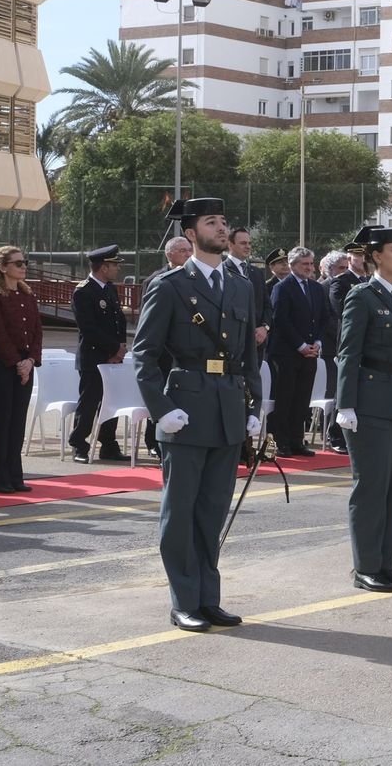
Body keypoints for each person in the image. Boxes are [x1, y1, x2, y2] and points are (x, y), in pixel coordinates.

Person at [133, 197, 263, 633]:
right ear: (191, 234)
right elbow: (145, 356)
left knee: (212, 511)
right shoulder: (169, 285)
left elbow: (248, 356)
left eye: (224, 222)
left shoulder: (241, 284)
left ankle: (209, 598)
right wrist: (162, 409)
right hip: (185, 410)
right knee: (181, 512)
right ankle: (184, 600)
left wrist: (253, 407)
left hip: (227, 406)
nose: (222, 229)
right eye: (212, 222)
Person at [333, 225, 392, 592]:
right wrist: (345, 404)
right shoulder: (361, 296)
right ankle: (366, 566)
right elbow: (348, 353)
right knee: (370, 486)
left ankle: (387, 564)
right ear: (375, 257)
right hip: (369, 402)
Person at [0, 246, 42, 494]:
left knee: (18, 423)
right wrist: (17, 363)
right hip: (3, 365)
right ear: (3, 267)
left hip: (24, 364)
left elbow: (37, 332)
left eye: (24, 262)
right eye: (17, 263)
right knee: (2, 423)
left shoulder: (27, 296)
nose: (23, 266)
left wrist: (31, 361)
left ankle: (16, 475)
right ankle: (0, 477)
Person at [69, 245, 128, 464]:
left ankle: (108, 444)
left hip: (113, 356)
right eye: (114, 266)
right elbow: (89, 329)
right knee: (90, 402)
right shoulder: (83, 291)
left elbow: (119, 321)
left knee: (111, 402)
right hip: (93, 357)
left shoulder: (110, 289)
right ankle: (79, 444)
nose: (117, 270)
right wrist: (113, 349)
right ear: (103, 267)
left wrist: (120, 348)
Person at [268, 248, 329, 457]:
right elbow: (281, 320)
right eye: (305, 264)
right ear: (293, 265)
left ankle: (297, 440)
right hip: (287, 353)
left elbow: (323, 318)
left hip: (311, 352)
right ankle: (281, 441)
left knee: (303, 399)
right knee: (285, 398)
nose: (310, 268)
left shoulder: (316, 288)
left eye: (311, 264)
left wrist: (317, 342)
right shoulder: (282, 288)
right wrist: (300, 345)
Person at [142, 237, 194, 456]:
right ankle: (153, 441)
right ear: (169, 254)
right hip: (162, 353)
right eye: (183, 251)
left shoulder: (192, 278)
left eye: (190, 251)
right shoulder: (158, 280)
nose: (188, 255)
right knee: (160, 396)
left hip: (182, 354)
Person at [318, 247, 354, 454]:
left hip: (342, 347)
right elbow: (329, 318)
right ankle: (331, 434)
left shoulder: (349, 285)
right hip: (331, 346)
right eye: (340, 268)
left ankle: (343, 432)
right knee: (332, 392)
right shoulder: (324, 287)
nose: (343, 271)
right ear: (330, 270)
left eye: (345, 267)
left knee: (343, 392)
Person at [225, 228, 271, 353]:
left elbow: (266, 304)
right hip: (232, 342)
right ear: (230, 244)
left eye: (249, 243)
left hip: (257, 343)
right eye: (243, 243)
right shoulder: (221, 270)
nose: (248, 247)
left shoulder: (256, 273)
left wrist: (264, 328)